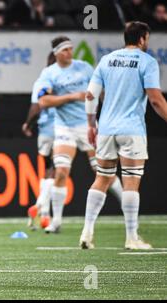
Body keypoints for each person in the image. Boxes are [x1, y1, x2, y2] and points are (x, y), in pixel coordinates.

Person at [79, 21, 167, 250]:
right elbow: (156, 99)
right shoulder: (147, 61)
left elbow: (90, 96)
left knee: (102, 177)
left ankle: (87, 232)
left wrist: (91, 124)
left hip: (106, 129)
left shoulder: (106, 60)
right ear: (142, 38)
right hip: (132, 130)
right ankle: (131, 237)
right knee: (131, 182)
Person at [37, 36, 123, 234]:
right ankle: (56, 220)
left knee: (103, 173)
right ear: (57, 53)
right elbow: (43, 101)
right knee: (60, 172)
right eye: (65, 50)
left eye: (71, 49)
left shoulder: (84, 67)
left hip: (88, 126)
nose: (70, 52)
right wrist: (72, 97)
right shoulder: (50, 73)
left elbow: (100, 90)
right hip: (64, 128)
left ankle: (128, 210)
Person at [22, 52, 56, 230]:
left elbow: (36, 105)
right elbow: (39, 104)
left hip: (43, 130)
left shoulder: (40, 81)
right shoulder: (59, 79)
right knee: (56, 171)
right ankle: (40, 206)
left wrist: (28, 123)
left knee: (48, 170)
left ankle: (44, 216)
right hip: (60, 129)